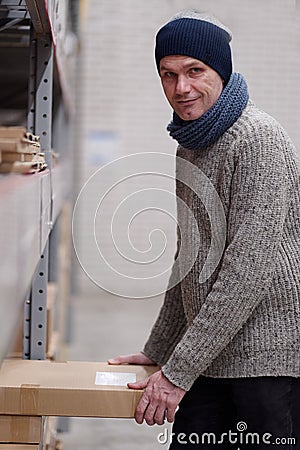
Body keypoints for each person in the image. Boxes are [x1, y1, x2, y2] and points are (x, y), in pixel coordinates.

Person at [109, 10, 300, 449]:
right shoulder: (193, 144)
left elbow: (246, 270)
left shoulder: (257, 139)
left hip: (265, 365)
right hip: (212, 356)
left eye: (195, 71)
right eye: (168, 73)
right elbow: (189, 261)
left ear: (223, 71)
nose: (182, 88)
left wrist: (177, 370)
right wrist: (161, 348)